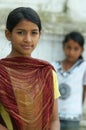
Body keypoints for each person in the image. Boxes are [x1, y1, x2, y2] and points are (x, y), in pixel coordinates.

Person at [0, 7, 60, 130]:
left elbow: (54, 119)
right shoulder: (2, 72)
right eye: (20, 32)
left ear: (40, 35)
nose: (28, 39)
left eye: (34, 33)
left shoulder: (46, 72)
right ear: (8, 34)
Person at [51, 31, 86, 130]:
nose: (71, 52)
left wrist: (76, 108)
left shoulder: (83, 67)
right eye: (68, 47)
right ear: (63, 47)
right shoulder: (54, 66)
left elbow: (84, 90)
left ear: (82, 50)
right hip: (54, 116)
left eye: (76, 49)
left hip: (73, 118)